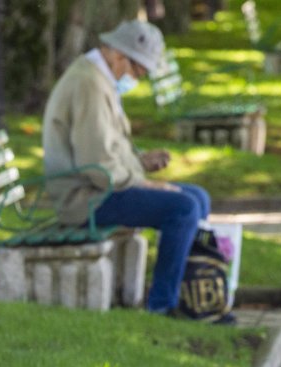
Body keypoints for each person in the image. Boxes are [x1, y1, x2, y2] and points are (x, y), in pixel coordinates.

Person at [43, 20, 223, 321]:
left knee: (198, 198)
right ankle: (162, 305)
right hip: (86, 199)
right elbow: (99, 167)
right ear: (117, 55)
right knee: (183, 209)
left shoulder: (100, 79)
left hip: (102, 188)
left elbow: (107, 148)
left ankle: (190, 293)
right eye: (138, 69)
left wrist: (140, 161)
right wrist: (147, 185)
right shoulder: (89, 84)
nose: (138, 77)